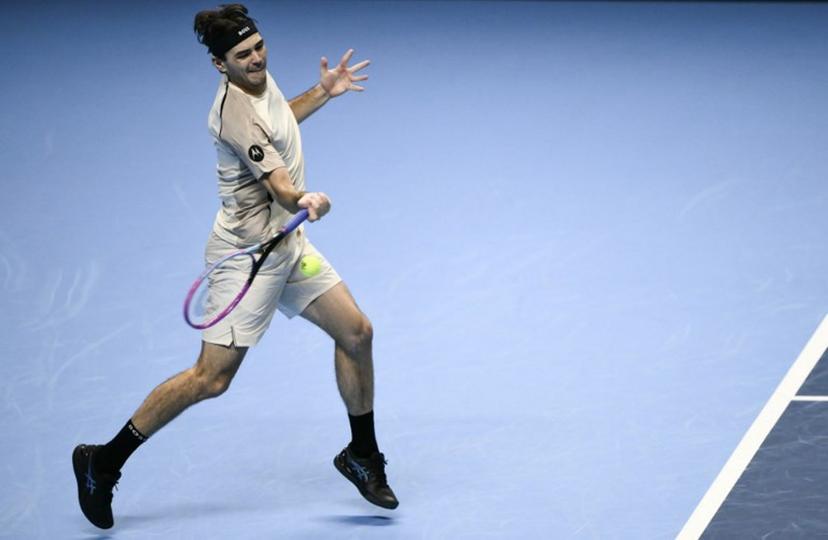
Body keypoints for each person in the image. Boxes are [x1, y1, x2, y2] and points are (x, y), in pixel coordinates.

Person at [72, 4, 397, 529]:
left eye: (259, 47)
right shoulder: (232, 113)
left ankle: (362, 455)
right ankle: (101, 462)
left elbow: (277, 123)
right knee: (210, 378)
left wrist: (321, 93)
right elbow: (282, 187)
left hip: (288, 249)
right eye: (243, 55)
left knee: (357, 333)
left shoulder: (258, 86)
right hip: (247, 263)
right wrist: (306, 200)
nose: (257, 59)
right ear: (219, 65)